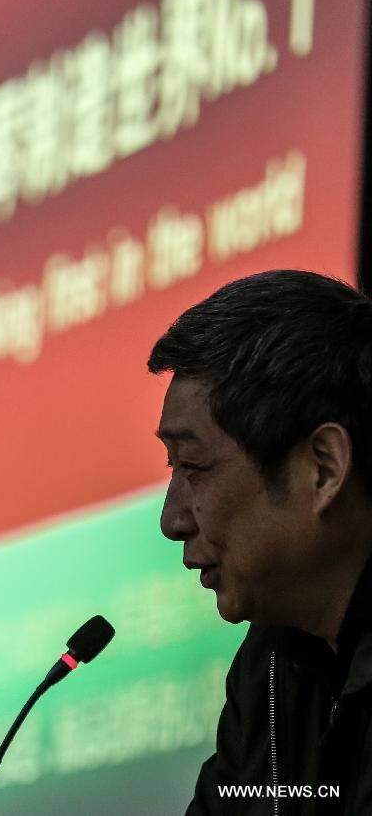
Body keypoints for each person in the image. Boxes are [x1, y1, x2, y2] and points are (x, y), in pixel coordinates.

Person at [148, 269, 372, 815]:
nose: (172, 520)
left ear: (322, 469)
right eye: (171, 468)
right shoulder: (268, 669)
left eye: (195, 467)